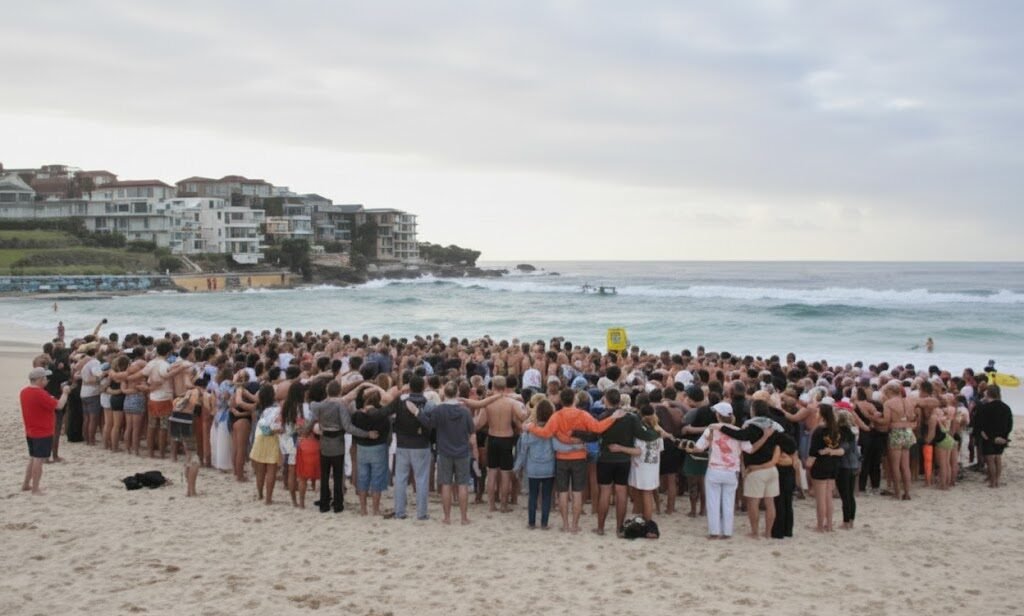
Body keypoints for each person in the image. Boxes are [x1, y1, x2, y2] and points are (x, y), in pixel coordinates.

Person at [525, 388, 625, 533]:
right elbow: (597, 428)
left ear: (561, 400)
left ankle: (565, 524)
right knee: (577, 492)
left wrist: (531, 427)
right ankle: (574, 525)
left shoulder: (557, 416)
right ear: (575, 399)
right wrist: (613, 418)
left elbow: (545, 433)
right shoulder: (583, 414)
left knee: (563, 493)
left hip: (561, 458)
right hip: (579, 457)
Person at [683, 403, 763, 540]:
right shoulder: (738, 431)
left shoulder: (712, 429)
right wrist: (765, 437)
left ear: (718, 416)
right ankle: (727, 532)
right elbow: (750, 449)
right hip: (732, 471)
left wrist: (687, 448)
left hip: (714, 469)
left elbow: (699, 448)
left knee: (713, 502)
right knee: (728, 501)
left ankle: (714, 532)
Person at [593, 388, 660, 536]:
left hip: (605, 458)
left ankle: (600, 527)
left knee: (604, 492)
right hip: (623, 459)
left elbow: (594, 433)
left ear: (606, 400)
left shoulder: (603, 416)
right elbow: (644, 434)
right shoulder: (630, 417)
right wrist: (657, 432)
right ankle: (619, 528)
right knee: (621, 492)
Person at [411, 381, 478, 525]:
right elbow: (472, 432)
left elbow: (429, 425)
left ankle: (447, 517)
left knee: (446, 484)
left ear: (444, 394)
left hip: (444, 451)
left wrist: (417, 413)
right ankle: (463, 517)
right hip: (462, 451)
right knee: (463, 485)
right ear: (457, 393)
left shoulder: (438, 410)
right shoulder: (465, 411)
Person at [308, 380, 377, 513]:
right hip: (338, 443)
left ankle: (324, 503)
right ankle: (338, 504)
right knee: (338, 475)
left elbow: (311, 422)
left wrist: (304, 431)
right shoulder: (341, 406)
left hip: (324, 442)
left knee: (324, 474)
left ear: (327, 391)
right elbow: (348, 427)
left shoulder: (318, 406)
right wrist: (366, 434)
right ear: (339, 392)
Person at [21, 367, 70, 495]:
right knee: (39, 460)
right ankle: (35, 489)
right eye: (45, 378)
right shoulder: (40, 393)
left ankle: (26, 484)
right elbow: (59, 405)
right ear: (39, 379)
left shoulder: (25, 391)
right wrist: (65, 393)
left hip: (31, 430)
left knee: (33, 458)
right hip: (41, 431)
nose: (47, 380)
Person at [513, 398, 556, 529]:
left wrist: (517, 467)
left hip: (533, 467)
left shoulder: (529, 430)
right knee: (547, 496)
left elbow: (523, 451)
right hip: (549, 467)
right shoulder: (553, 430)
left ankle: (531, 522)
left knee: (532, 495)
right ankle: (544, 523)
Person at [806, 404, 845, 532]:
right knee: (828, 496)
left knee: (820, 498)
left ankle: (819, 526)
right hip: (833, 464)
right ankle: (829, 525)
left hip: (821, 464)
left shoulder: (819, 430)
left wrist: (808, 465)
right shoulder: (836, 429)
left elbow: (813, 452)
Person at [249, 384, 283, 504]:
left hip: (259, 438)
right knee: (271, 471)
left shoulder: (257, 408)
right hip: (272, 439)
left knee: (260, 471)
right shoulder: (277, 408)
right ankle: (268, 498)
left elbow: (255, 425)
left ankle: (260, 494)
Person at [974, 385, 1013, 488]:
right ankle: (997, 481)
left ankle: (992, 482)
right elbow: (1010, 424)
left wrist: (984, 434)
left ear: (988, 394)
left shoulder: (985, 407)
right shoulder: (1006, 407)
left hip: (988, 437)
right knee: (998, 458)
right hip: (1002, 437)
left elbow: (979, 423)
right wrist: (1004, 436)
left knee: (990, 460)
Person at [836, 411, 860, 529]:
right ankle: (851, 520)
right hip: (853, 464)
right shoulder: (853, 432)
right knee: (850, 495)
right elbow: (856, 450)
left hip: (844, 465)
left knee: (845, 495)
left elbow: (844, 448)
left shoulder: (842, 433)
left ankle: (846, 521)